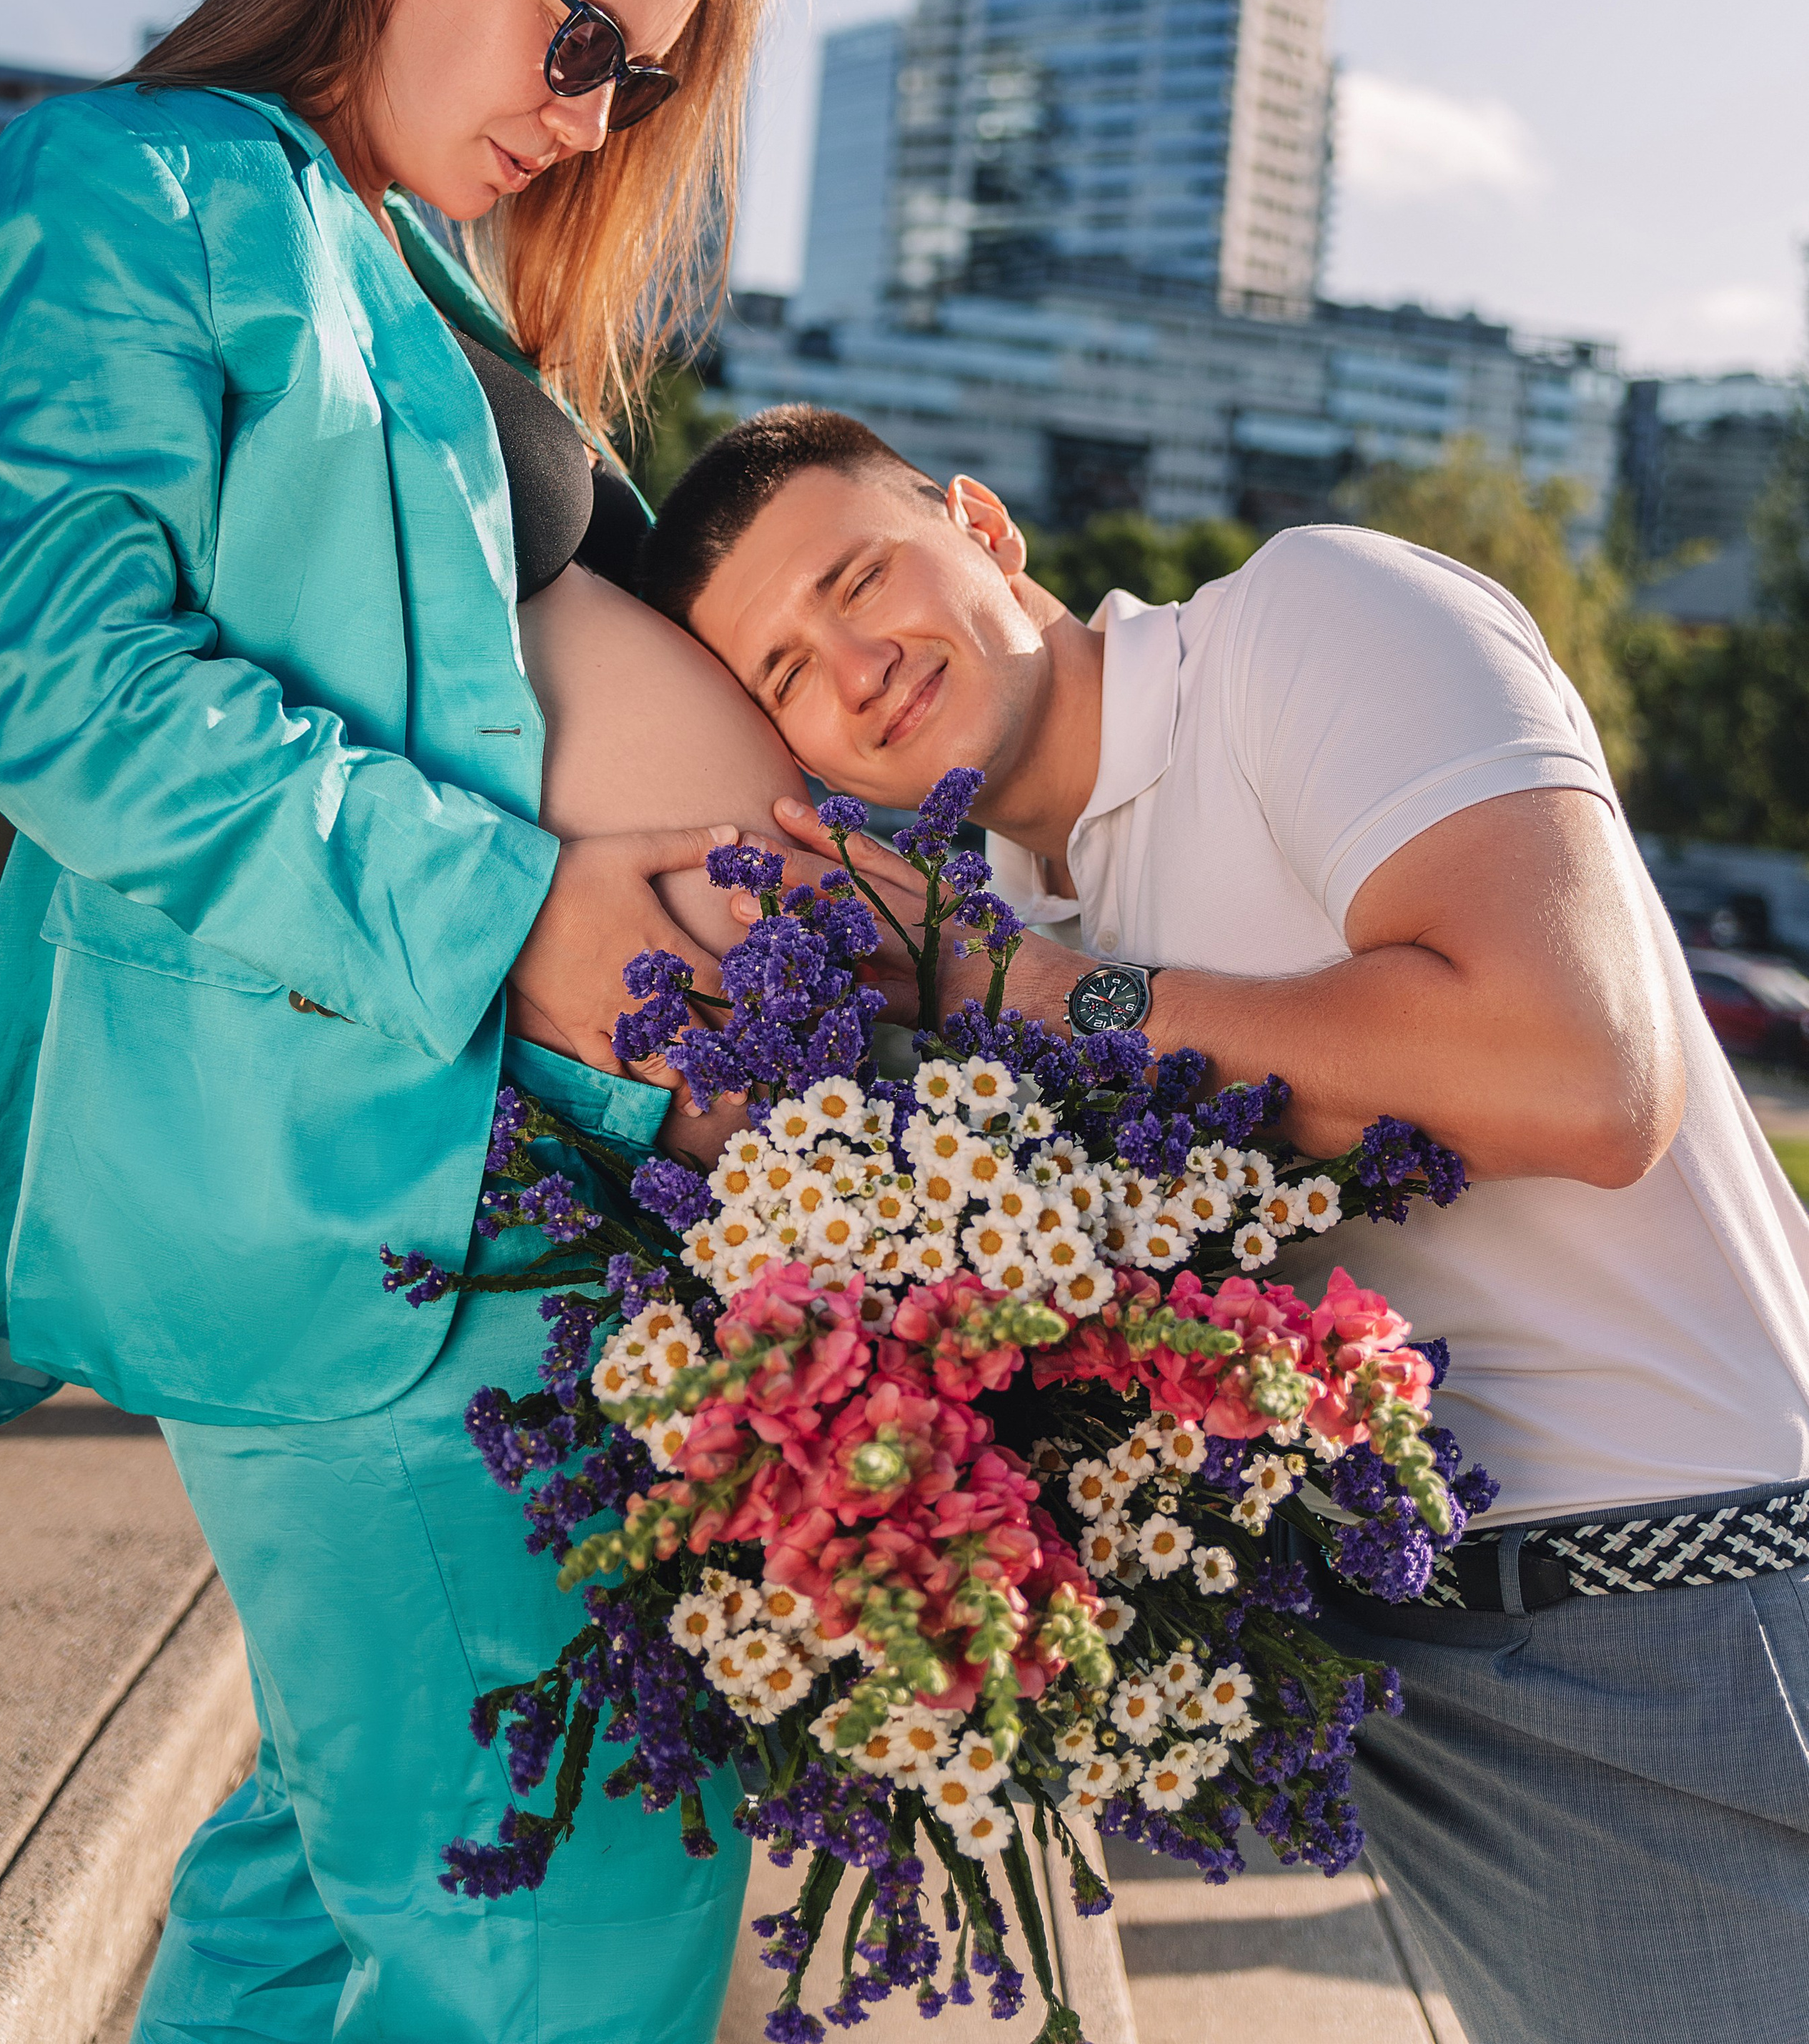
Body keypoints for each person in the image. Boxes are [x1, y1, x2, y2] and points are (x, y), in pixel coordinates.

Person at [0, 0, 822, 2044]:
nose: (588, 119)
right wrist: (513, 912)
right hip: (386, 1221)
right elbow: (54, 672)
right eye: (583, 42)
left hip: (540, 1213)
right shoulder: (135, 189)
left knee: (321, 1919)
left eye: (637, 90)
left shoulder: (440, 286)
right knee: (568, 1956)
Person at [633, 400, 1809, 2044]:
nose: (847, 665)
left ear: (982, 526)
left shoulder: (1303, 625)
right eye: (777, 673)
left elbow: (1576, 1074)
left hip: (1686, 1603)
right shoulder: (1002, 919)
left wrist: (1039, 996)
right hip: (1419, 1675)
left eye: (857, 577)